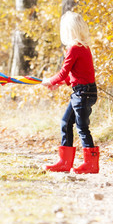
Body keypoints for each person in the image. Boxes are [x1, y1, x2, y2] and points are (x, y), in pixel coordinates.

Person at [41, 10, 99, 174]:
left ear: (68, 31)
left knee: (82, 127)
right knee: (66, 123)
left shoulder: (74, 48)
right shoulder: (83, 48)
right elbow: (78, 74)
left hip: (83, 94)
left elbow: (63, 72)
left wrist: (50, 81)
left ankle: (91, 164)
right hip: (82, 92)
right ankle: (64, 162)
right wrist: (59, 84)